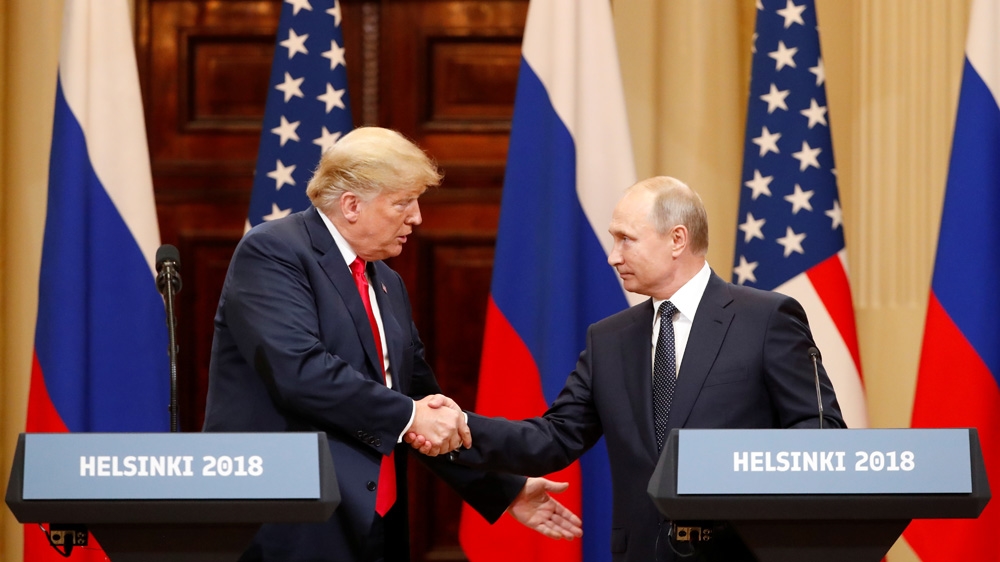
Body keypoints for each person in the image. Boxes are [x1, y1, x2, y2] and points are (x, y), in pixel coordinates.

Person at [409, 176, 846, 562]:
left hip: (742, 549)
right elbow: (554, 438)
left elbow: (819, 430)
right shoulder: (609, 339)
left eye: (626, 240)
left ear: (677, 239)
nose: (612, 257)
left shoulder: (765, 318)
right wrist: (462, 427)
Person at [202, 126, 581, 562]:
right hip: (291, 520)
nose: (417, 217)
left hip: (374, 519)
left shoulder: (387, 283)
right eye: (403, 202)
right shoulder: (274, 252)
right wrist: (414, 414)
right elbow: (300, 372)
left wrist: (503, 488)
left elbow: (418, 405)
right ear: (351, 206)